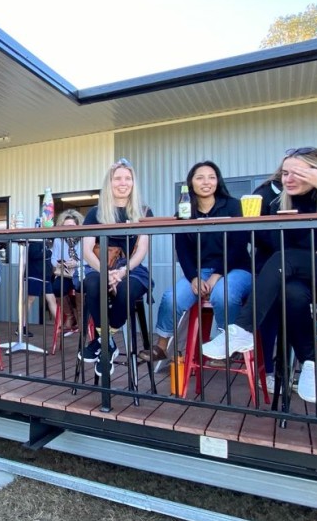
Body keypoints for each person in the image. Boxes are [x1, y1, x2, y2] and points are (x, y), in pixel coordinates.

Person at [202, 147, 317, 403]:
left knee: (285, 260)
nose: (288, 179)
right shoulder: (280, 204)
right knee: (290, 290)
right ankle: (311, 364)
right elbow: (282, 250)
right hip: (307, 280)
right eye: (285, 173)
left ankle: (242, 329)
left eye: (297, 173)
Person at [148, 161, 252, 364]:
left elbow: (239, 245)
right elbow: (182, 250)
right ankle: (161, 346)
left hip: (236, 268)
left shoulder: (233, 205)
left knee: (223, 293)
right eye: (200, 178)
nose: (206, 182)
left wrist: (217, 274)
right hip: (200, 271)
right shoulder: (184, 212)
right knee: (171, 297)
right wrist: (193, 277)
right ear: (191, 183)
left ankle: (229, 345)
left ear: (218, 181)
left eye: (211, 177)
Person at [79, 158, 153, 377]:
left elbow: (141, 249)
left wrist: (122, 271)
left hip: (131, 268)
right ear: (109, 183)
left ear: (133, 182)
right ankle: (107, 343)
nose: (123, 183)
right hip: (99, 266)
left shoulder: (144, 211)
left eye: (128, 178)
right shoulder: (95, 212)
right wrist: (106, 272)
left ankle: (103, 342)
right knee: (93, 283)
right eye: (118, 178)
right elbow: (87, 250)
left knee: (126, 289)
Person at [45, 209, 84, 337]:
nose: (69, 228)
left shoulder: (84, 238)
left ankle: (81, 317)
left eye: (72, 226)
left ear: (78, 226)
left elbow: (90, 259)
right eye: (66, 226)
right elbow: (53, 259)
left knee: (81, 286)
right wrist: (61, 263)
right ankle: (70, 316)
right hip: (65, 273)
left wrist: (77, 263)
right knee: (56, 287)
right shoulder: (58, 239)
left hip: (81, 272)